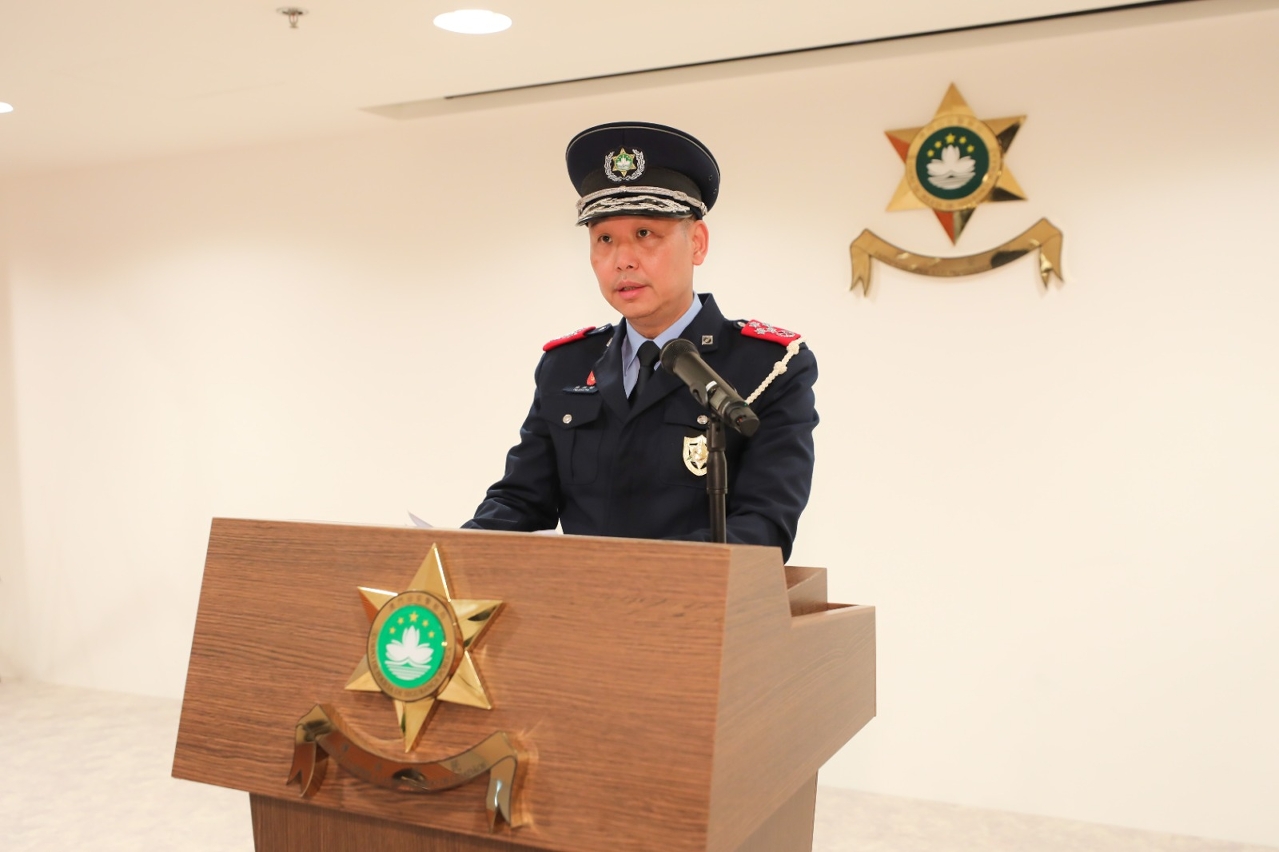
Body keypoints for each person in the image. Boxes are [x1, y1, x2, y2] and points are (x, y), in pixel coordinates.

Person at [463, 121, 818, 561]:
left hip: (694, 602)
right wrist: (450, 553)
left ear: (697, 243)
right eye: (604, 239)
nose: (622, 260)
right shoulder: (567, 365)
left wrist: (635, 571)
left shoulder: (768, 367)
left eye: (645, 234)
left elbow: (765, 526)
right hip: (580, 601)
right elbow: (521, 500)